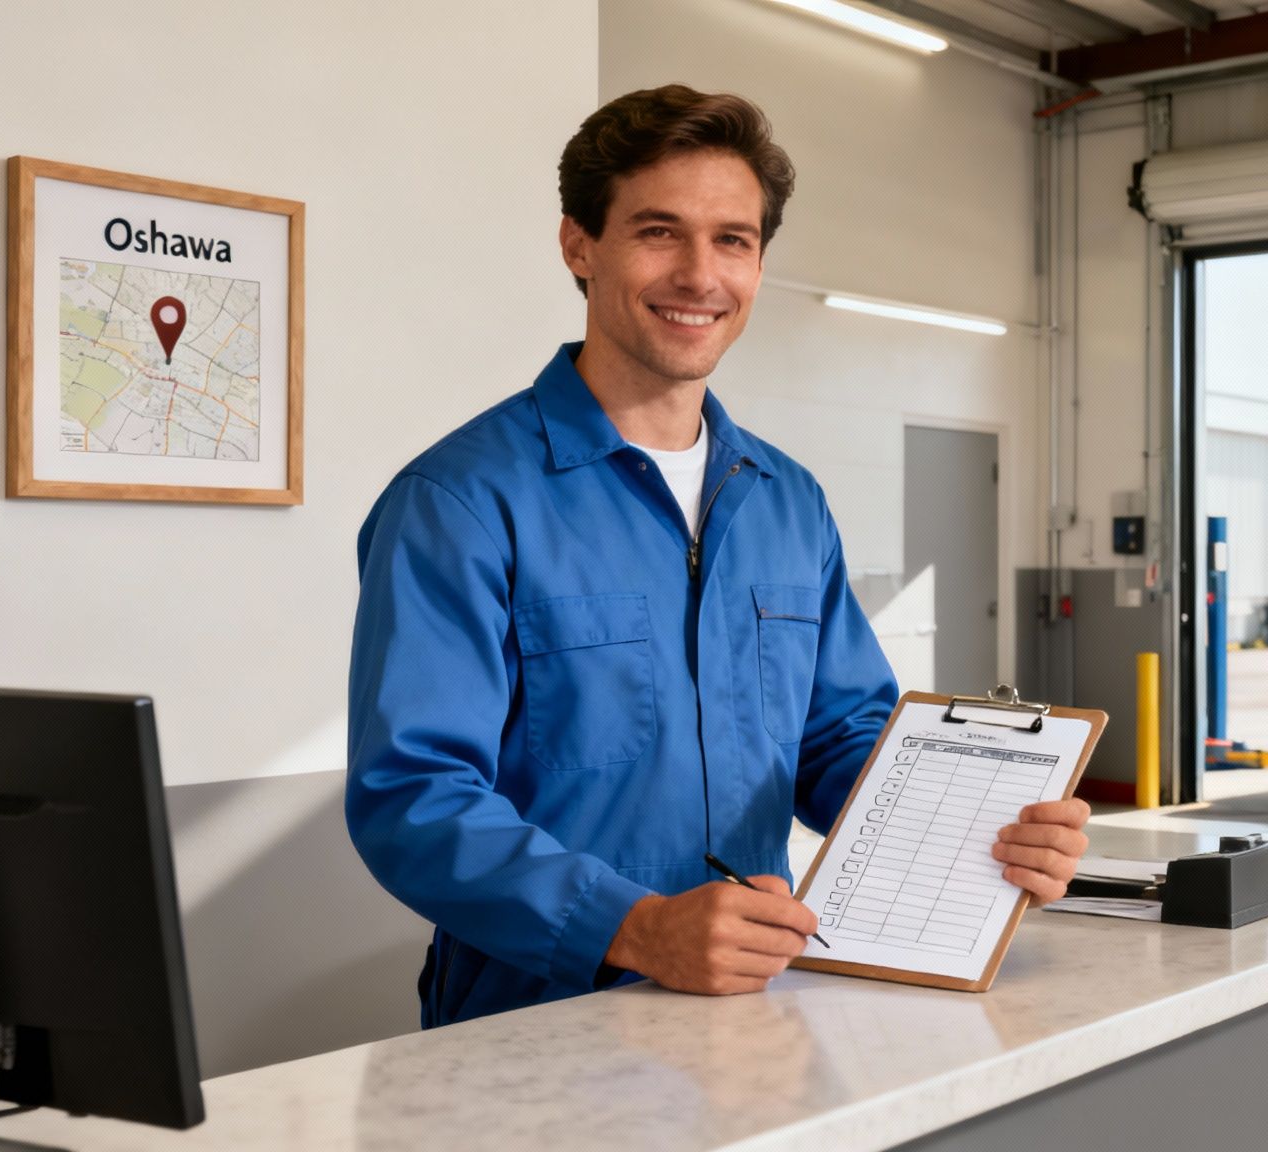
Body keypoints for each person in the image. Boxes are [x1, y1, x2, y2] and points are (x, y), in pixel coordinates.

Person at [346, 85, 1091, 1027]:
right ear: (579, 244)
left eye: (733, 239)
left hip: (759, 1003)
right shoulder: (460, 503)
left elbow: (838, 740)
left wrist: (978, 825)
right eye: (660, 231)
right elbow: (414, 798)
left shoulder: (787, 502)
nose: (700, 275)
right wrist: (634, 925)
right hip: (538, 1017)